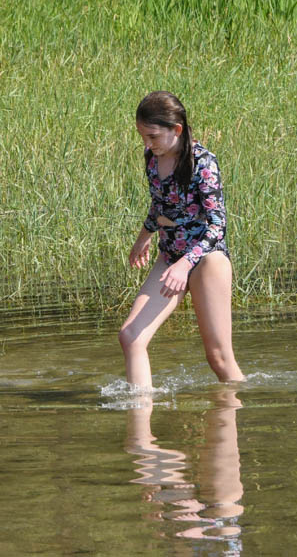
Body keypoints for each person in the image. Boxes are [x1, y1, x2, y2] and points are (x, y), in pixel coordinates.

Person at [118, 91, 244, 388]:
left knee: (219, 359)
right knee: (131, 337)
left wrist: (185, 265)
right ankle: (140, 425)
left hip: (205, 260)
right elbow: (160, 203)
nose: (147, 144)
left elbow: (218, 226)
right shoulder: (152, 158)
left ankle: (236, 412)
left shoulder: (204, 162)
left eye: (153, 136)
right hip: (171, 256)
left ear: (176, 130)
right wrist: (143, 237)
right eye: (142, 137)